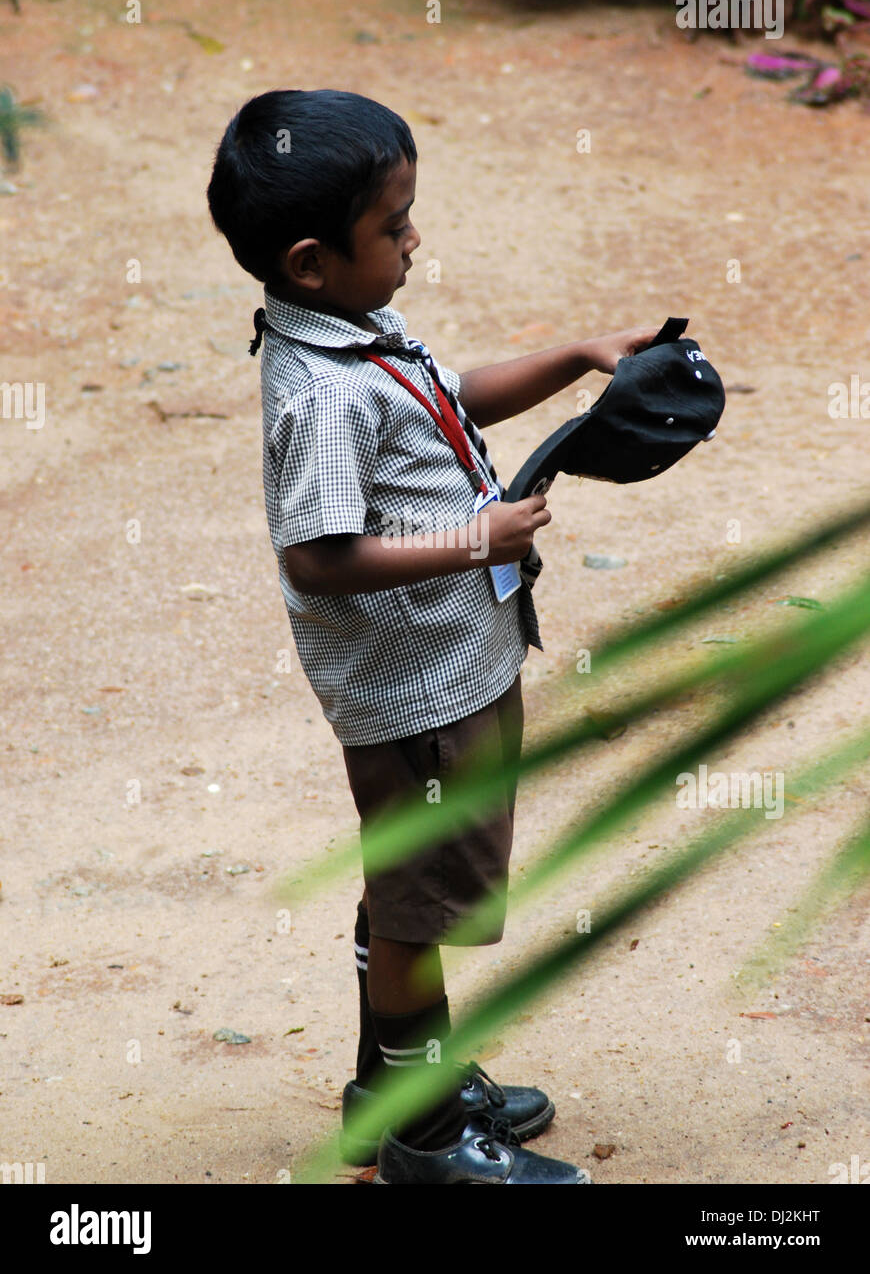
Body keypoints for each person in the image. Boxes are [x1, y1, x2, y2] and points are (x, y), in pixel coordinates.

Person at [207, 88, 656, 1184]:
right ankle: (422, 1137)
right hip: (415, 698)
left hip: (452, 670)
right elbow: (317, 553)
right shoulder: (319, 391)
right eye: (395, 224)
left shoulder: (361, 333)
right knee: (419, 908)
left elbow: (452, 394)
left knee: (407, 888)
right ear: (313, 261)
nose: (416, 239)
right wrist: (474, 537)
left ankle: (396, 1086)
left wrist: (577, 355)